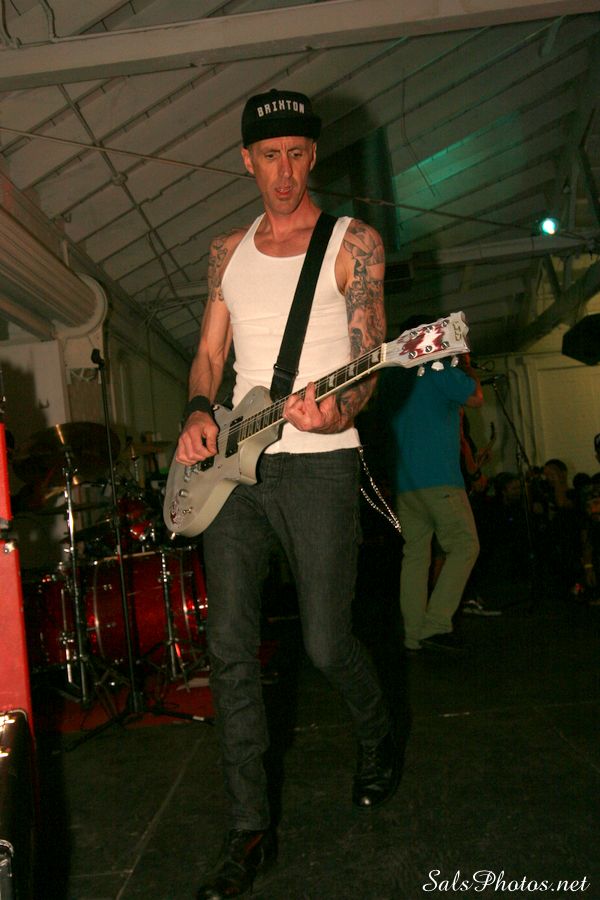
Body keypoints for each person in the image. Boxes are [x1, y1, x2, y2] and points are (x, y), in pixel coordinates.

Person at [175, 89, 400, 899]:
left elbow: (371, 358)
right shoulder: (225, 252)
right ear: (246, 160)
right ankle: (248, 830)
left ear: (314, 156)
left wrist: (337, 407)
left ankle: (378, 736)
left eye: (299, 154)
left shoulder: (353, 244)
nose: (285, 171)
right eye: (270, 156)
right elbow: (210, 356)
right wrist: (197, 412)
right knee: (230, 649)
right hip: (235, 472)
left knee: (326, 644)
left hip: (320, 464)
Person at [380, 343, 483, 652]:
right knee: (465, 545)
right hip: (439, 479)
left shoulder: (395, 377)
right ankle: (436, 625)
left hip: (406, 483)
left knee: (415, 556)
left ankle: (413, 635)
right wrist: (466, 364)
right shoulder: (440, 368)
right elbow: (476, 397)